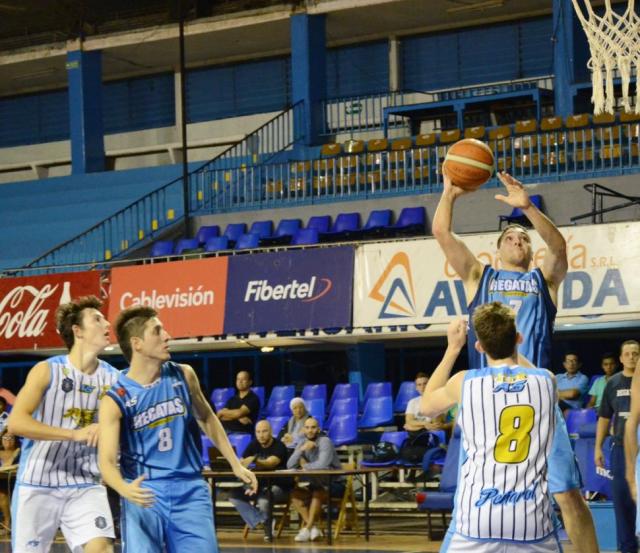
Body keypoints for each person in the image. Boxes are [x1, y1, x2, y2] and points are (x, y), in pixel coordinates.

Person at [432, 171, 596, 549]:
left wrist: (528, 209)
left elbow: (559, 248)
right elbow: (442, 232)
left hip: (537, 401)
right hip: (486, 403)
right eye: (510, 237)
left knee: (569, 497)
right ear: (497, 250)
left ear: (530, 249)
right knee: (469, 501)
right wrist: (449, 193)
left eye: (524, 238)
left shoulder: (544, 282)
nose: (518, 240)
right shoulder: (479, 276)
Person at [420, 302, 598, 553]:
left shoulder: (463, 382)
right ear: (519, 338)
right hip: (531, 522)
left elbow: (427, 406)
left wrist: (453, 348)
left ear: (479, 347)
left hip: (477, 520)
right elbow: (527, 371)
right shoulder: (546, 381)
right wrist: (509, 341)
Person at [98, 306, 257, 553]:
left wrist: (235, 464)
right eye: (157, 331)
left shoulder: (184, 374)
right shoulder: (116, 397)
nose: (167, 336)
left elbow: (207, 417)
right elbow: (106, 461)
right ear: (137, 344)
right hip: (144, 491)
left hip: (190, 488)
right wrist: (123, 488)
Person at [8, 295, 118, 553]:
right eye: (97, 319)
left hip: (85, 483)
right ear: (78, 331)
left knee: (101, 549)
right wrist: (74, 434)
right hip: (38, 483)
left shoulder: (113, 378)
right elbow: (16, 423)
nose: (107, 324)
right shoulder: (47, 370)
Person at [595, 340, 639, 553]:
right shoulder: (613, 383)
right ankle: (627, 548)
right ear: (621, 358)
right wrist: (597, 447)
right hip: (621, 449)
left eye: (636, 353)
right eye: (627, 354)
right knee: (622, 503)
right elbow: (604, 417)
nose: (631, 357)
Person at [229, 420, 292, 542]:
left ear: (271, 432)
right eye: (258, 432)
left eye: (264, 431)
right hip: (258, 485)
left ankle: (267, 531)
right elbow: (243, 461)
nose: (261, 435)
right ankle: (262, 520)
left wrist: (254, 460)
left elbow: (270, 463)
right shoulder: (253, 444)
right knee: (234, 495)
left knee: (263, 499)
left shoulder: (279, 446)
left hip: (279, 486)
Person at [287, 417, 343, 542]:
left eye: (313, 427)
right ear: (303, 429)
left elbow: (323, 464)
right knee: (294, 494)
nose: (310, 430)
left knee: (318, 491)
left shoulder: (325, 441)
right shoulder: (302, 442)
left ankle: (307, 528)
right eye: (307, 427)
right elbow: (290, 465)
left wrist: (305, 466)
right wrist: (301, 450)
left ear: (318, 429)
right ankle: (312, 528)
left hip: (335, 484)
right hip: (317, 484)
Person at [403, 372, 446, 436]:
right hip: (416, 434)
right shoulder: (412, 402)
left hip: (431, 434)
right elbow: (409, 421)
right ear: (416, 388)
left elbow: (435, 424)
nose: (422, 387)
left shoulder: (438, 400)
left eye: (425, 384)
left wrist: (413, 426)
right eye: (419, 385)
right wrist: (425, 424)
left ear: (430, 384)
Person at [0, 432, 20, 534]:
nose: (8, 440)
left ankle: (9, 523)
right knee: (2, 494)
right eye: (5, 437)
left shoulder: (19, 452)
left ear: (15, 440)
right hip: (1, 480)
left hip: (16, 481)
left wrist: (14, 455)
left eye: (11, 438)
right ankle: (6, 521)